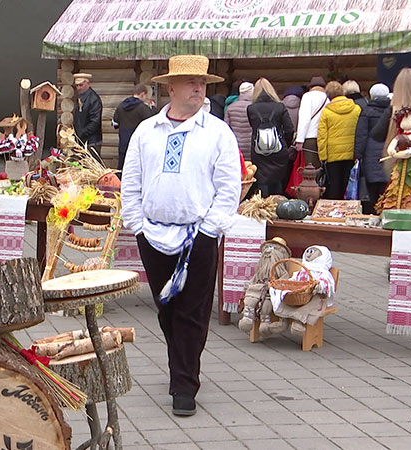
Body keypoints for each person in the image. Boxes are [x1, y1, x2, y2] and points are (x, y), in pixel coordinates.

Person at [122, 55, 241, 417]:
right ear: (169, 88)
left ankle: (185, 384)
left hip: (198, 237)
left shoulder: (218, 132)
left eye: (202, 83)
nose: (198, 88)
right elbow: (131, 181)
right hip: (152, 235)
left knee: (192, 311)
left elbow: (228, 186)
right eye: (190, 82)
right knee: (167, 309)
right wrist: (137, 225)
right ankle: (181, 366)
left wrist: (210, 230)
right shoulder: (147, 131)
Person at [246, 78, 295, 197]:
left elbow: (254, 127)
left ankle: (263, 207)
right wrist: (284, 144)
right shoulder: (280, 107)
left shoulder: (251, 109)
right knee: (278, 180)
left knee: (262, 180)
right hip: (278, 149)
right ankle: (278, 208)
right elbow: (289, 129)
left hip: (259, 150)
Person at [317, 81, 362, 200]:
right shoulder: (356, 109)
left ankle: (334, 212)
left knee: (334, 186)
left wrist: (323, 156)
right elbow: (360, 131)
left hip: (333, 155)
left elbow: (322, 136)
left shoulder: (326, 112)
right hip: (351, 153)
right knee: (349, 184)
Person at [354, 83, 391, 214]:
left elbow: (361, 135)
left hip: (370, 153)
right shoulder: (392, 110)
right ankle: (385, 211)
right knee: (386, 186)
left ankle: (373, 212)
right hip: (389, 152)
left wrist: (357, 154)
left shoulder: (367, 111)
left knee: (372, 187)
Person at [113, 84, 155, 174]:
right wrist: (153, 109)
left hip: (123, 143)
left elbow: (115, 124)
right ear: (143, 94)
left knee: (122, 170)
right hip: (138, 144)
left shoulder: (121, 106)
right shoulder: (143, 108)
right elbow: (153, 124)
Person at [295, 76, 329, 168]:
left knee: (310, 170)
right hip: (324, 137)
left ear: (310, 87)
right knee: (322, 169)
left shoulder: (307, 96)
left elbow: (304, 119)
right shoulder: (327, 98)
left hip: (310, 138)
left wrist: (299, 140)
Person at [73, 73, 103, 155]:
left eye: (81, 85)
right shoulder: (79, 97)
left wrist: (81, 133)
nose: (78, 88)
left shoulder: (94, 99)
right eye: (77, 86)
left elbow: (95, 122)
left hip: (91, 141)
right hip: (81, 140)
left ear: (88, 84)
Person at [225, 81, 254, 161]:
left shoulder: (230, 107)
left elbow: (226, 128)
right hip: (250, 144)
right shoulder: (254, 108)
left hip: (235, 145)